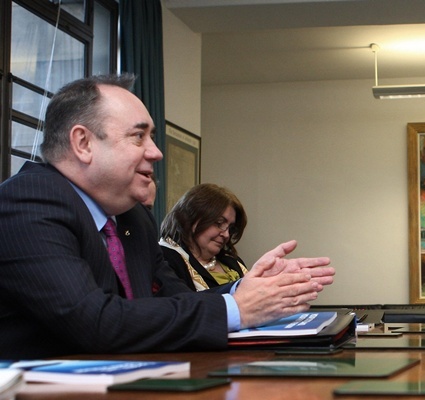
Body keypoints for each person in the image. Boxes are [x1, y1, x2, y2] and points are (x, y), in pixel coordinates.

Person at [0, 74, 335, 358]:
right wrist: (237, 309)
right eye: (138, 136)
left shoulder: (132, 219)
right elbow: (94, 322)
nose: (156, 152)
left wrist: (245, 290)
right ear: (83, 143)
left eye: (152, 138)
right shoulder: (29, 201)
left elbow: (178, 303)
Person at [160, 183, 251, 291]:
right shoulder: (166, 260)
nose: (226, 235)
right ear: (193, 219)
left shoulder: (232, 261)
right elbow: (185, 304)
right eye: (219, 223)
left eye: (230, 228)